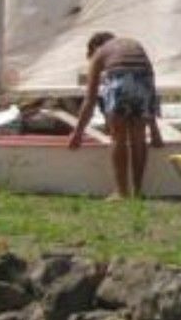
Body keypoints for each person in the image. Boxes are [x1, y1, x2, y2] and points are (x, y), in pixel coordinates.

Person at [68, 32, 164, 200]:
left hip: (120, 81)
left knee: (118, 138)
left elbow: (90, 100)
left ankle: (121, 192)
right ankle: (138, 191)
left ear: (94, 47)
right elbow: (150, 90)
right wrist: (155, 132)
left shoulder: (100, 52)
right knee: (138, 139)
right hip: (144, 79)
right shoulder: (133, 43)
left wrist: (77, 133)